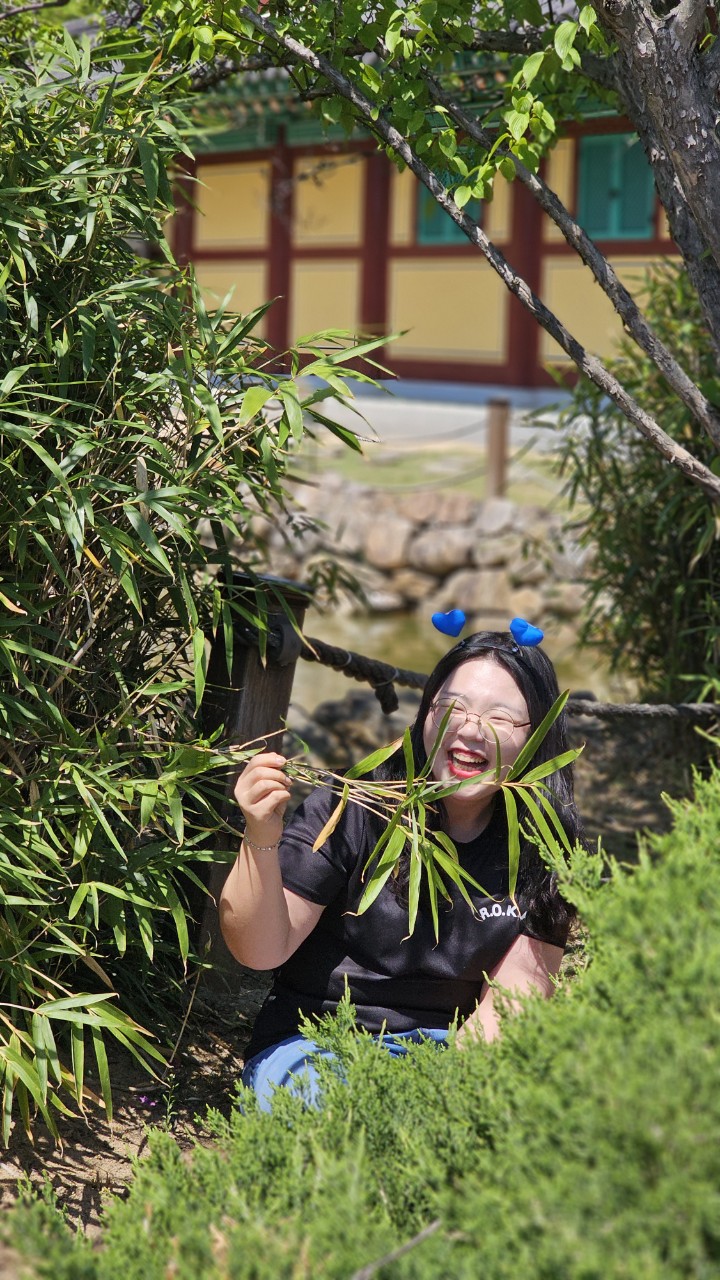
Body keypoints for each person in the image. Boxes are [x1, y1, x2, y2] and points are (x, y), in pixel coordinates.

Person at [220, 629, 583, 1110]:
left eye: (500, 718)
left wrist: (436, 1100)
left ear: (538, 737)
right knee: (333, 1110)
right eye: (452, 707)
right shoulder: (350, 807)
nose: (471, 730)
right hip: (318, 1044)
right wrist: (260, 835)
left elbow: (508, 1013)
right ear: (426, 712)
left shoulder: (544, 846)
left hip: (450, 1056)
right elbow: (259, 950)